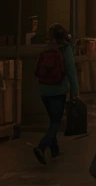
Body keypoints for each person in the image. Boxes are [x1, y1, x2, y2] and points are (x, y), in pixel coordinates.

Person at [33, 23, 80, 165]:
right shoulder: (66, 49)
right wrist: (75, 92)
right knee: (56, 122)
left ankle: (55, 150)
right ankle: (41, 147)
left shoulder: (45, 49)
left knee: (52, 120)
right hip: (58, 90)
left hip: (44, 90)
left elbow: (37, 71)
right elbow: (71, 72)